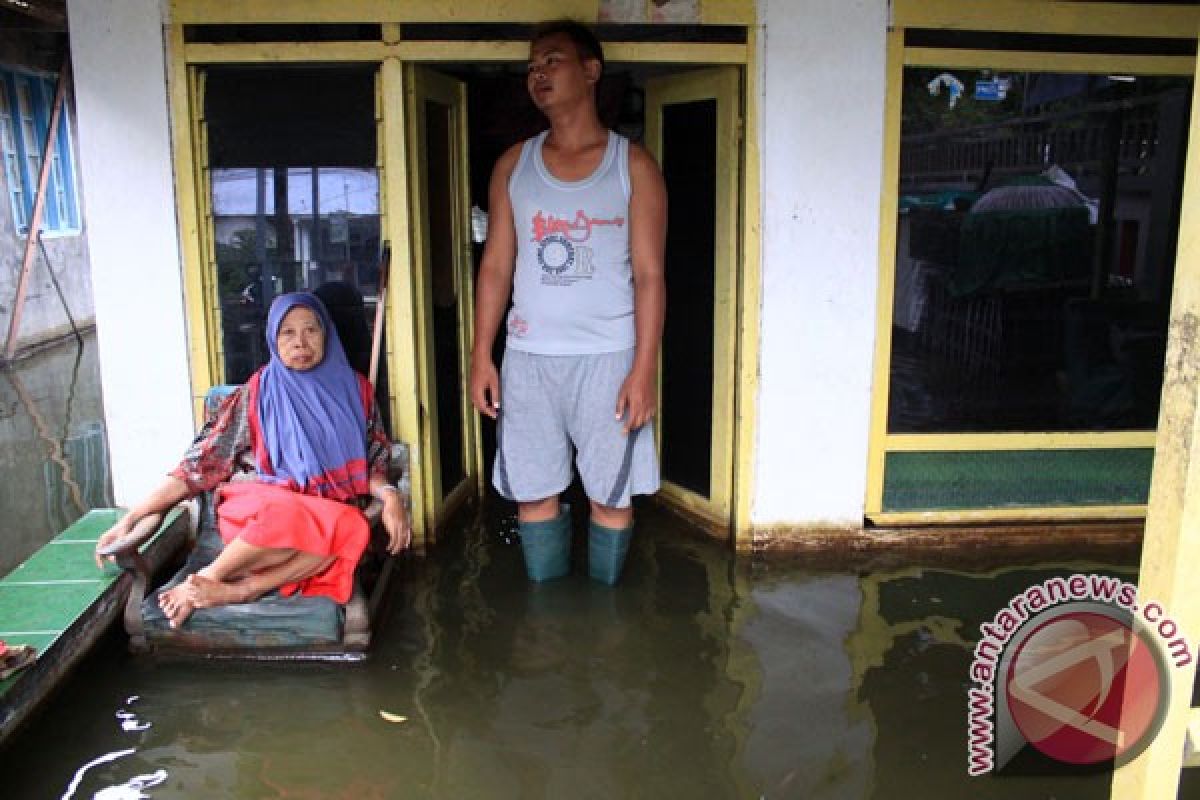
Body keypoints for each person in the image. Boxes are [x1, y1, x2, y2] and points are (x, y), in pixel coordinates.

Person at [469, 19, 666, 585]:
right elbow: (497, 266)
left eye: (551, 61)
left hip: (611, 359)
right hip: (528, 359)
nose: (538, 74)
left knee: (611, 496)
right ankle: (549, 625)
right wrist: (484, 354)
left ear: (590, 70)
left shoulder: (633, 166)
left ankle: (605, 625)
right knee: (534, 496)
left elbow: (651, 275)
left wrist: (642, 370)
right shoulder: (513, 165)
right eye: (532, 66)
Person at [95, 292, 411, 628]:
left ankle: (240, 591)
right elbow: (198, 466)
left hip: (321, 517)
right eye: (287, 333)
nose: (300, 342)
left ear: (326, 334)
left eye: (311, 330)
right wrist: (133, 518)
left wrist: (391, 496)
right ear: (273, 339)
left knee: (352, 526)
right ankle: (204, 579)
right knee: (291, 514)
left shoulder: (356, 390)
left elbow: (373, 463)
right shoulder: (258, 392)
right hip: (258, 516)